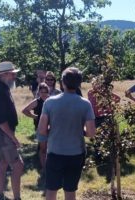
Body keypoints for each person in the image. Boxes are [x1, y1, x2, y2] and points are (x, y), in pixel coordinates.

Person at [38, 67, 95, 200]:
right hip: (76, 153)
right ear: (79, 83)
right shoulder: (85, 104)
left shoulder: (49, 102)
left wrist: (53, 132)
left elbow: (41, 130)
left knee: (51, 190)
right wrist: (82, 132)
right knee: (70, 191)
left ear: (63, 82)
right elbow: (91, 133)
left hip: (55, 152)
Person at [0, 61, 24, 200]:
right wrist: (13, 138)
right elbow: (2, 122)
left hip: (2, 133)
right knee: (18, 165)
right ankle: (17, 198)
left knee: (3, 163)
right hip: (4, 134)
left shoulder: (1, 88)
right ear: (5, 75)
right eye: (13, 73)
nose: (15, 76)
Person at [22, 83, 50, 187]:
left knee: (50, 149)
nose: (43, 94)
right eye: (41, 92)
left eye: (45, 92)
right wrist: (35, 117)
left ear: (48, 92)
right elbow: (24, 110)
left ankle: (50, 167)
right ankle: (44, 168)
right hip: (40, 128)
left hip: (52, 129)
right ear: (39, 92)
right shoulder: (37, 102)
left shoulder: (51, 101)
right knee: (42, 149)